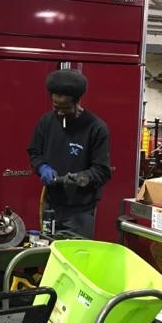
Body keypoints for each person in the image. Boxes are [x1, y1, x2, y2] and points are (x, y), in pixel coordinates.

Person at [27, 69, 111, 239]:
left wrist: (82, 177)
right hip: (51, 206)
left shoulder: (96, 128)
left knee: (76, 252)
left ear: (77, 101)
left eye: (65, 108)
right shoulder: (46, 122)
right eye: (55, 107)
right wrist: (42, 167)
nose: (59, 112)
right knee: (49, 249)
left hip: (80, 211)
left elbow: (102, 171)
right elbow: (34, 152)